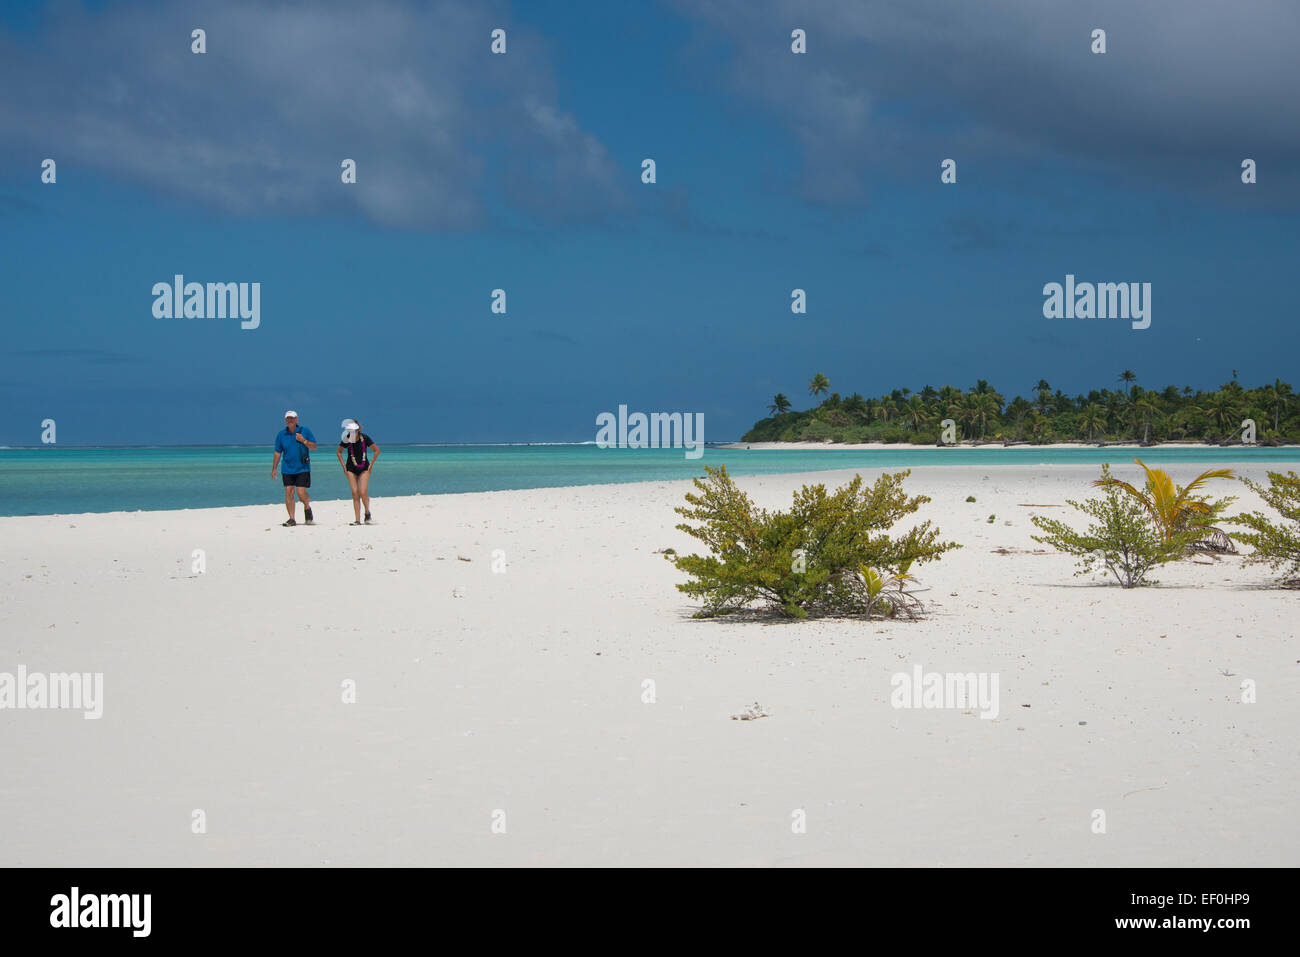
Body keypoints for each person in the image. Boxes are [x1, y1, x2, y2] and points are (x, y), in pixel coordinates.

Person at [271, 410, 317, 526]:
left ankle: (307, 506)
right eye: (288, 418)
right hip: (287, 468)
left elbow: (314, 446)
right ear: (285, 420)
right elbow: (277, 452)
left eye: (292, 418)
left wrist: (303, 440)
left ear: (297, 419)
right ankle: (292, 518)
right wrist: (274, 469)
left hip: (302, 468)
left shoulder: (304, 431)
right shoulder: (281, 435)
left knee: (301, 493)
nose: (290, 420)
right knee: (289, 493)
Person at [337, 418, 380, 525]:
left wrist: (371, 465)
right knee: (355, 492)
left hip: (364, 468)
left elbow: (376, 450)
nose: (352, 433)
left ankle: (367, 512)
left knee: (363, 492)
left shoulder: (364, 438)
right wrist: (344, 467)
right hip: (351, 469)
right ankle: (357, 520)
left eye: (354, 430)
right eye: (350, 431)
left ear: (358, 430)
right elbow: (339, 452)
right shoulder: (347, 439)